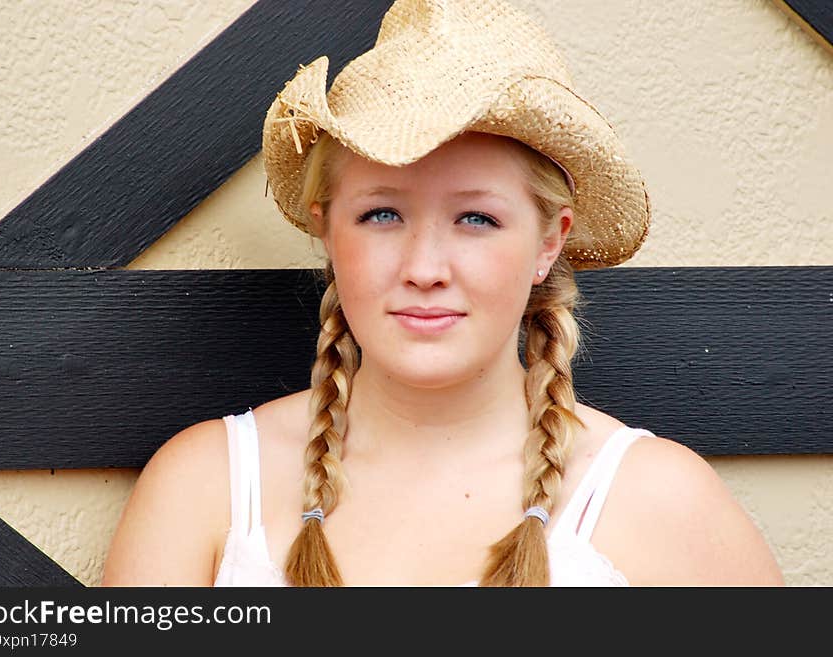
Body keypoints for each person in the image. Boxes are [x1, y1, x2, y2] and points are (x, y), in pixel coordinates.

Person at [102, 0, 783, 587]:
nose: (425, 266)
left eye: (476, 218)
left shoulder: (660, 498)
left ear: (550, 242)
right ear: (327, 229)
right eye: (381, 214)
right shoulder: (206, 487)